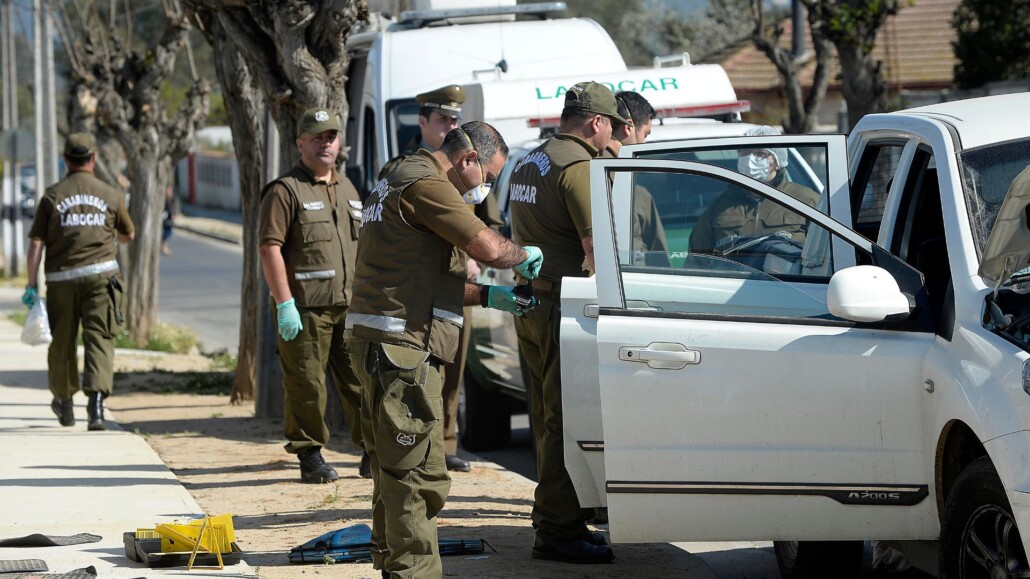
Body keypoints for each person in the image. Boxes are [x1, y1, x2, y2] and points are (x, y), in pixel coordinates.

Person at [346, 120, 543, 578]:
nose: (488, 187)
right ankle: (412, 571)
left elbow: (425, 277)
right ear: (468, 159)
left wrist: (490, 297)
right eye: (490, 177)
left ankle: (395, 562)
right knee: (417, 475)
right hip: (401, 348)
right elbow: (488, 248)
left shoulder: (402, 176)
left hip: (389, 342)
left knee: (399, 469)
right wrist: (522, 254)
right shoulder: (429, 185)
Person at [508, 81, 627, 564]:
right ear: (596, 122)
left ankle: (558, 516)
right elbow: (596, 249)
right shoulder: (577, 167)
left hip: (532, 302)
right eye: (610, 127)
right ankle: (558, 530)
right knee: (563, 421)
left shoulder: (531, 160)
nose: (613, 135)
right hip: (563, 305)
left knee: (544, 417)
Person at [379, 85, 503, 473]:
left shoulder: (475, 171)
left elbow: (488, 223)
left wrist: (474, 260)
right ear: (423, 122)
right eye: (443, 119)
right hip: (417, 292)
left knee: (451, 362)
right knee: (418, 372)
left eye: (454, 119)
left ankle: (445, 441)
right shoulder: (409, 171)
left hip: (456, 282)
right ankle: (415, 446)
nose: (450, 124)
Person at [257, 107, 369, 483]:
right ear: (300, 142)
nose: (326, 143)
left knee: (361, 382)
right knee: (307, 383)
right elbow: (269, 247)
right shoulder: (285, 190)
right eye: (318, 137)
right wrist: (284, 303)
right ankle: (309, 455)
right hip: (305, 308)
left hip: (350, 306)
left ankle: (372, 451)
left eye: (331, 136)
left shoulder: (349, 187)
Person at [23, 132, 135, 431]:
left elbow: (36, 244)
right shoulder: (111, 194)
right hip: (102, 278)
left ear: (66, 160)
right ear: (94, 158)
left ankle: (65, 402)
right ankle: (96, 407)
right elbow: (128, 234)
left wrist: (31, 285)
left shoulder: (52, 195)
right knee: (100, 338)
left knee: (63, 342)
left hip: (61, 280)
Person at [688, 125, 820, 255]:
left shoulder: (807, 201)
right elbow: (697, 261)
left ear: (777, 160)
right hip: (734, 276)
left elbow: (825, 257)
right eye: (744, 152)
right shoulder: (720, 206)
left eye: (760, 153)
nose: (750, 158)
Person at [605, 91, 669, 267]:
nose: (644, 144)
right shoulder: (635, 193)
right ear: (628, 127)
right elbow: (660, 260)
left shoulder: (585, 166)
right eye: (646, 134)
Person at [161, 186, 176, 256]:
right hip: (165, 220)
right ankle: (164, 248)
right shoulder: (164, 200)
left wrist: (174, 215)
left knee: (168, 234)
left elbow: (174, 208)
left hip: (170, 220)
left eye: (171, 191)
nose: (170, 193)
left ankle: (165, 247)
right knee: (166, 235)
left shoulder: (172, 199)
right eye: (168, 191)